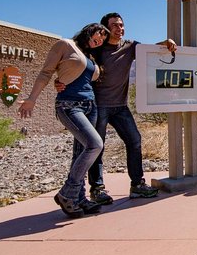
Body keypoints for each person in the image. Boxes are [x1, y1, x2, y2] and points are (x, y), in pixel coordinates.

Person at [65, 12, 177, 204]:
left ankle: (137, 185)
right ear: (106, 29)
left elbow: (150, 50)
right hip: (97, 107)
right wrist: (61, 82)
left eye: (122, 25)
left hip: (121, 107)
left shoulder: (130, 46)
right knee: (96, 148)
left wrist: (167, 42)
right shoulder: (97, 50)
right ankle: (97, 189)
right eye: (115, 25)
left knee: (134, 141)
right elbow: (74, 64)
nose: (120, 28)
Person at [18, 23, 109, 218]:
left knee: (80, 153)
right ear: (89, 30)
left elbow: (77, 77)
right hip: (69, 105)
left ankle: (79, 198)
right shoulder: (65, 45)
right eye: (99, 34)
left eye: (103, 39)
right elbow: (46, 72)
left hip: (90, 106)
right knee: (95, 145)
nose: (100, 40)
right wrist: (32, 99)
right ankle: (67, 194)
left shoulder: (90, 57)